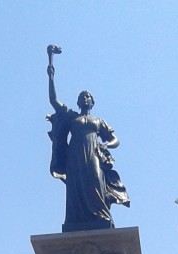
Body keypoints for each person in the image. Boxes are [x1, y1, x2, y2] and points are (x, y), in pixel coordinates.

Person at [47, 61, 130, 232]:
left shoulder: (98, 121)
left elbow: (115, 139)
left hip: (93, 152)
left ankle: (100, 215)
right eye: (82, 97)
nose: (85, 98)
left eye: (87, 96)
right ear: (78, 102)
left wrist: (105, 145)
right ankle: (76, 218)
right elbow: (54, 101)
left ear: (92, 102)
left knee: (95, 180)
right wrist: (51, 77)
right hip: (74, 155)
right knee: (75, 185)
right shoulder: (72, 117)